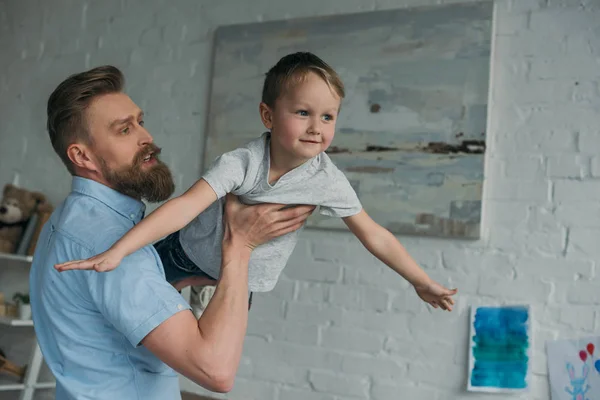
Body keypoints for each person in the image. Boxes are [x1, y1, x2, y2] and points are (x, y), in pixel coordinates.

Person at [56, 52, 458, 313]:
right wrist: (118, 251)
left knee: (209, 357)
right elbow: (185, 206)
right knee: (131, 314)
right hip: (183, 254)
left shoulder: (326, 180)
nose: (316, 128)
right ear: (268, 116)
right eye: (303, 112)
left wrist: (420, 281)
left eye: (328, 117)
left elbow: (375, 234)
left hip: (237, 277)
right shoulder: (243, 162)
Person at [29, 65, 314, 400]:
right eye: (124, 130)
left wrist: (176, 279)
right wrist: (240, 244)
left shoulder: (68, 221)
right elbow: (216, 370)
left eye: (140, 121)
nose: (145, 137)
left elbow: (102, 316)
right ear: (82, 155)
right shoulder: (112, 247)